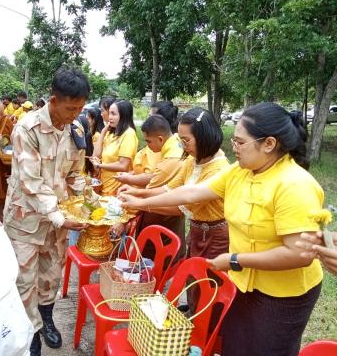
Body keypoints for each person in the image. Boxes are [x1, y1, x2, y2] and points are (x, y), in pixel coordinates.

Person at [121, 102, 324, 356]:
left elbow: (299, 254)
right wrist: (142, 202)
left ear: (269, 144)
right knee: (235, 344)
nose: (233, 147)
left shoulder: (294, 185)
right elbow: (193, 191)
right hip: (244, 282)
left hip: (283, 294)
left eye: (240, 142)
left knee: (265, 349)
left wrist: (236, 260)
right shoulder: (240, 172)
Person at [3, 66, 89, 356]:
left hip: (58, 222)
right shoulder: (26, 128)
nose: (74, 114)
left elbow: (76, 174)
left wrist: (87, 201)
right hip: (25, 221)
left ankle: (46, 319)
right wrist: (58, 215)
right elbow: (30, 182)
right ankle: (30, 333)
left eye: (79, 108)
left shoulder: (76, 130)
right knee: (24, 280)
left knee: (51, 275)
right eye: (70, 107)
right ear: (53, 100)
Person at [120, 108, 229, 259]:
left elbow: (181, 207)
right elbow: (169, 189)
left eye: (186, 141)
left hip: (215, 237)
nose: (183, 146)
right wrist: (136, 192)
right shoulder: (192, 161)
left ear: (204, 136)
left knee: (208, 279)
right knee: (193, 277)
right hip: (198, 231)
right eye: (181, 141)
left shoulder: (218, 169)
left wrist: (139, 202)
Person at [91, 100, 138, 196]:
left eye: (113, 114)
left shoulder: (129, 133)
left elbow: (123, 165)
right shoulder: (110, 133)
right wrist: (103, 132)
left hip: (117, 190)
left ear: (123, 115)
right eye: (109, 113)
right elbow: (95, 155)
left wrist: (100, 166)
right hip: (104, 185)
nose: (110, 117)